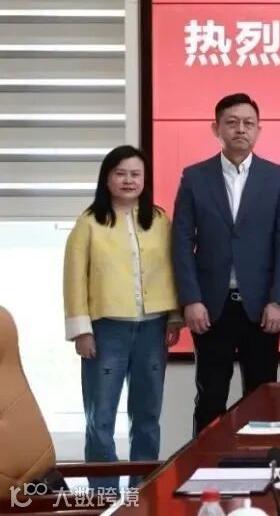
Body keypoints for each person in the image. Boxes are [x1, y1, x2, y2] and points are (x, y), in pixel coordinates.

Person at [172, 93, 280, 433]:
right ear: (216, 129)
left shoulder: (277, 177)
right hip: (211, 308)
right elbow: (181, 242)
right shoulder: (195, 177)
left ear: (258, 130)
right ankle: (204, 462)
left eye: (248, 123)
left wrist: (279, 301)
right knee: (210, 397)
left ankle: (262, 460)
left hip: (262, 309)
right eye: (232, 122)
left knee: (262, 397)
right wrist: (191, 299)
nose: (241, 129)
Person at [62, 145, 182, 479]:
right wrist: (82, 330)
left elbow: (173, 270)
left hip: (153, 329)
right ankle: (105, 495)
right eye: (120, 173)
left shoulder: (159, 221)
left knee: (147, 416)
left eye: (135, 174)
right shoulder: (89, 223)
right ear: (107, 178)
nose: (128, 180)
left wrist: (174, 317)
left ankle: (143, 490)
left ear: (145, 179)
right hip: (106, 331)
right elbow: (74, 278)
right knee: (100, 417)